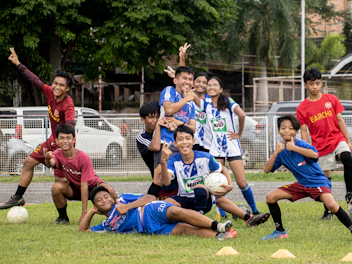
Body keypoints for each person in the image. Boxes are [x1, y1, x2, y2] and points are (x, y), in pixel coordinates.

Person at [0, 48, 76, 210]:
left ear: (67, 89)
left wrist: (64, 144)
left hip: (63, 146)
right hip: (51, 142)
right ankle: (17, 197)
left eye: (61, 85)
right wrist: (18, 64)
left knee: (59, 184)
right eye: (55, 83)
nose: (56, 87)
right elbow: (35, 81)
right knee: (28, 162)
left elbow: (70, 125)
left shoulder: (68, 104)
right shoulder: (49, 92)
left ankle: (63, 215)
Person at [262, 115, 352, 240]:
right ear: (279, 131)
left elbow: (315, 155)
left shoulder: (301, 144)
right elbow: (266, 170)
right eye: (283, 128)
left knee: (331, 205)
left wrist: (295, 148)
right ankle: (280, 232)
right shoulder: (281, 150)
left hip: (318, 182)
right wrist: (276, 153)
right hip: (302, 184)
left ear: (296, 132)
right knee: (270, 197)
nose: (287, 131)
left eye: (291, 128)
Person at [160, 125, 270, 227]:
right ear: (175, 143)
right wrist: (163, 162)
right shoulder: (173, 161)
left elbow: (223, 169)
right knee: (164, 205)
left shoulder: (205, 157)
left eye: (187, 138)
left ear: (193, 141)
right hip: (184, 198)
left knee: (204, 191)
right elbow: (166, 182)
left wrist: (230, 184)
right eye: (180, 139)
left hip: (203, 198)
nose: (184, 142)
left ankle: (198, 220)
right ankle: (248, 218)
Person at [194, 76, 260, 214]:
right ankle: (222, 213)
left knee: (242, 182)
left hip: (232, 146)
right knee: (218, 181)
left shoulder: (227, 101)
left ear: (221, 89)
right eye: (209, 85)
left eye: (215, 85)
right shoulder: (205, 104)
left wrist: (239, 133)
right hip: (216, 148)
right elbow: (188, 91)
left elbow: (241, 115)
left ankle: (255, 210)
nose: (211, 87)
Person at [78, 185, 237, 240]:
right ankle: (221, 236)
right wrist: (91, 211)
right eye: (99, 201)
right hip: (150, 228)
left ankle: (218, 226)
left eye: (106, 196)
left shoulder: (123, 199)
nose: (104, 200)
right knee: (183, 230)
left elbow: (150, 196)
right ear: (98, 208)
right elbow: (83, 230)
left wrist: (128, 206)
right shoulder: (106, 225)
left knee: (176, 212)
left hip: (149, 211)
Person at [296, 67, 352, 220]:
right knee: (324, 179)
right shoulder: (302, 108)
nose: (315, 86)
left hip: (337, 139)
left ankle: (350, 195)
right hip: (320, 146)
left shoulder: (331, 99)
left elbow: (340, 121)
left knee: (347, 158)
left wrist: (348, 140)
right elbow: (304, 131)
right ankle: (328, 210)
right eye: (311, 83)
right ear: (305, 85)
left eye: (318, 83)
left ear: (321, 84)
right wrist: (307, 150)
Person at [43, 124, 117, 224]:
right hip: (74, 188)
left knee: (109, 190)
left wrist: (84, 212)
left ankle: (118, 214)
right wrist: (47, 159)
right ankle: (63, 218)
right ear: (56, 141)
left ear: (74, 140)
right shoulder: (57, 153)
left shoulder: (83, 157)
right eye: (61, 138)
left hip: (92, 187)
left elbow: (84, 184)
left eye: (68, 138)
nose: (65, 141)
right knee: (56, 187)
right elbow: (51, 163)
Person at [136, 101, 177, 199]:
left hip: (173, 175)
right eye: (151, 117)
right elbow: (156, 147)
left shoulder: (166, 131)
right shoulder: (141, 136)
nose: (155, 120)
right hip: (159, 179)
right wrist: (158, 126)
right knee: (153, 202)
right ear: (143, 119)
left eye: (157, 117)